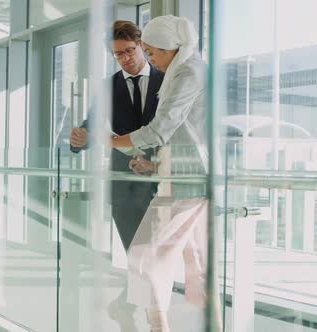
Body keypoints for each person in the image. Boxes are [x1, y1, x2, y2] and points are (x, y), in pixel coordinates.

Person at [111, 15, 221, 332]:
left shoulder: (189, 71)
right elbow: (185, 133)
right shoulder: (181, 70)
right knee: (194, 259)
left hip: (190, 181)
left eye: (152, 51)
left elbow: (162, 129)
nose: (151, 59)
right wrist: (154, 165)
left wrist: (116, 141)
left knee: (147, 254)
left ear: (171, 47)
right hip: (180, 175)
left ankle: (157, 324)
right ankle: (207, 323)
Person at [69, 20, 164, 331]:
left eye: (129, 51)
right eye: (117, 55)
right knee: (138, 254)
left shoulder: (167, 80)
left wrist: (155, 163)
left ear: (142, 47)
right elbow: (91, 124)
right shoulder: (109, 86)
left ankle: (124, 307)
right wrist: (79, 140)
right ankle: (149, 318)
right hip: (125, 185)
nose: (125, 59)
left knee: (152, 256)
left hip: (164, 179)